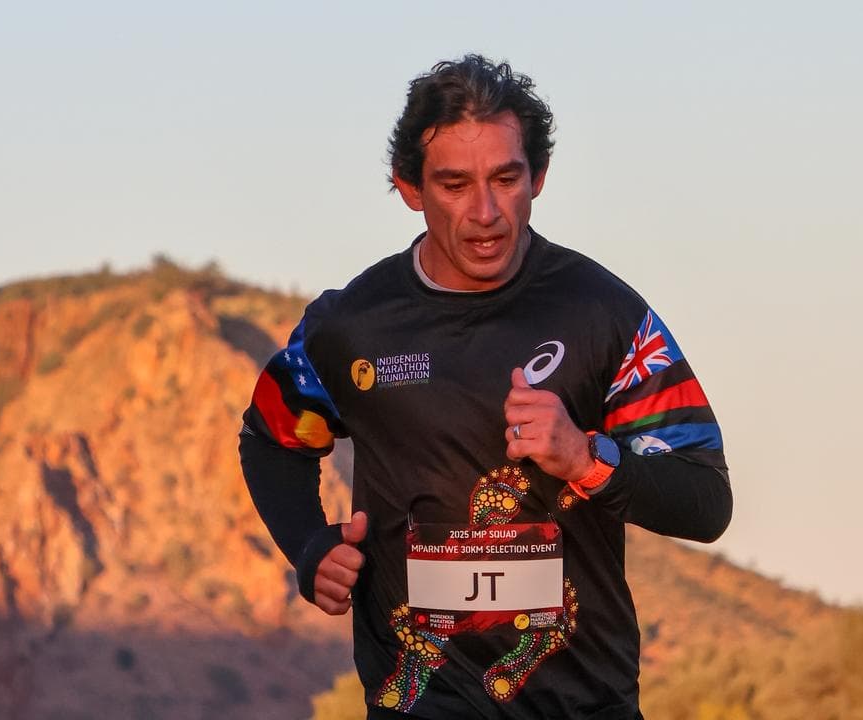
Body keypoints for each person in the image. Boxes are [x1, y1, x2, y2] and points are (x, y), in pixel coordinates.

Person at [240, 54, 732, 720]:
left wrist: (587, 460)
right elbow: (270, 440)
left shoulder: (605, 315)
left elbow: (706, 501)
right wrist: (308, 546)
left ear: (539, 177)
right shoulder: (351, 328)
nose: (486, 212)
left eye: (506, 178)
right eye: (455, 184)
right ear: (409, 188)